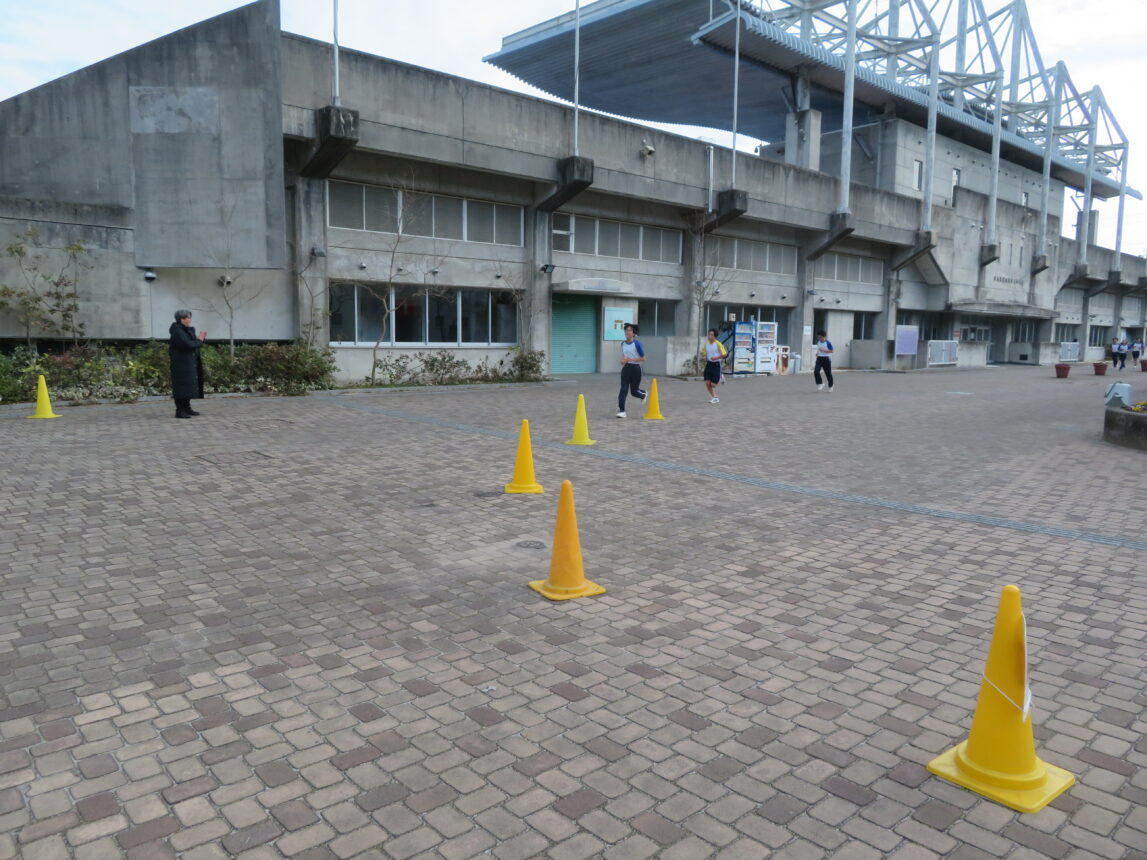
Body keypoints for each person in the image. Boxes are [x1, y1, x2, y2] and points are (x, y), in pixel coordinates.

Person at [169, 310, 206, 419]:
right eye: (187, 318)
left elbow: (194, 343)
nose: (190, 319)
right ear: (181, 319)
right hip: (180, 364)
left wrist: (199, 339)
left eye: (190, 317)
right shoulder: (177, 332)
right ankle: (180, 411)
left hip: (189, 362)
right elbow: (188, 344)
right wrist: (200, 340)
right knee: (181, 386)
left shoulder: (187, 330)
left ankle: (187, 408)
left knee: (188, 385)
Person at [616, 323, 646, 418]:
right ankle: (622, 411)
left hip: (636, 369)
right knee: (623, 390)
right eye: (626, 330)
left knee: (634, 392)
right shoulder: (623, 344)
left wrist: (630, 359)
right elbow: (625, 356)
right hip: (626, 369)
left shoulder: (637, 344)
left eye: (630, 330)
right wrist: (623, 361)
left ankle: (643, 395)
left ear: (633, 333)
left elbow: (643, 358)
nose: (627, 332)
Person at [702, 328, 727, 403]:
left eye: (711, 335)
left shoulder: (718, 344)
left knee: (713, 385)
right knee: (707, 383)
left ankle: (720, 376)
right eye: (709, 334)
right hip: (709, 364)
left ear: (715, 336)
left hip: (716, 365)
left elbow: (724, 354)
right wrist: (705, 357)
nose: (709, 336)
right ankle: (714, 397)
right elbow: (704, 353)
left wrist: (716, 357)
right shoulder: (706, 344)